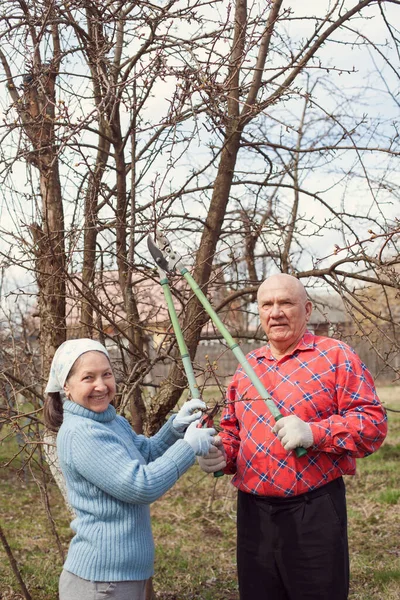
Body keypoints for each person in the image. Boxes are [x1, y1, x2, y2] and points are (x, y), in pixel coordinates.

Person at [198, 273, 388, 600]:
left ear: (308, 309)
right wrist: (220, 453)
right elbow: (233, 433)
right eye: (267, 305)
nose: (276, 312)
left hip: (313, 512)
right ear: (259, 313)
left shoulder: (336, 356)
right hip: (254, 516)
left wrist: (315, 432)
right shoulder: (247, 367)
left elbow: (373, 426)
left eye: (286, 302)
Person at [43, 338, 216, 600]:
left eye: (107, 374)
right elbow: (140, 485)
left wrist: (175, 428)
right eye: (88, 377)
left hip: (119, 576)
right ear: (66, 386)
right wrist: (189, 449)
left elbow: (144, 453)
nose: (101, 385)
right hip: (100, 582)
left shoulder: (109, 421)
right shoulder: (82, 433)